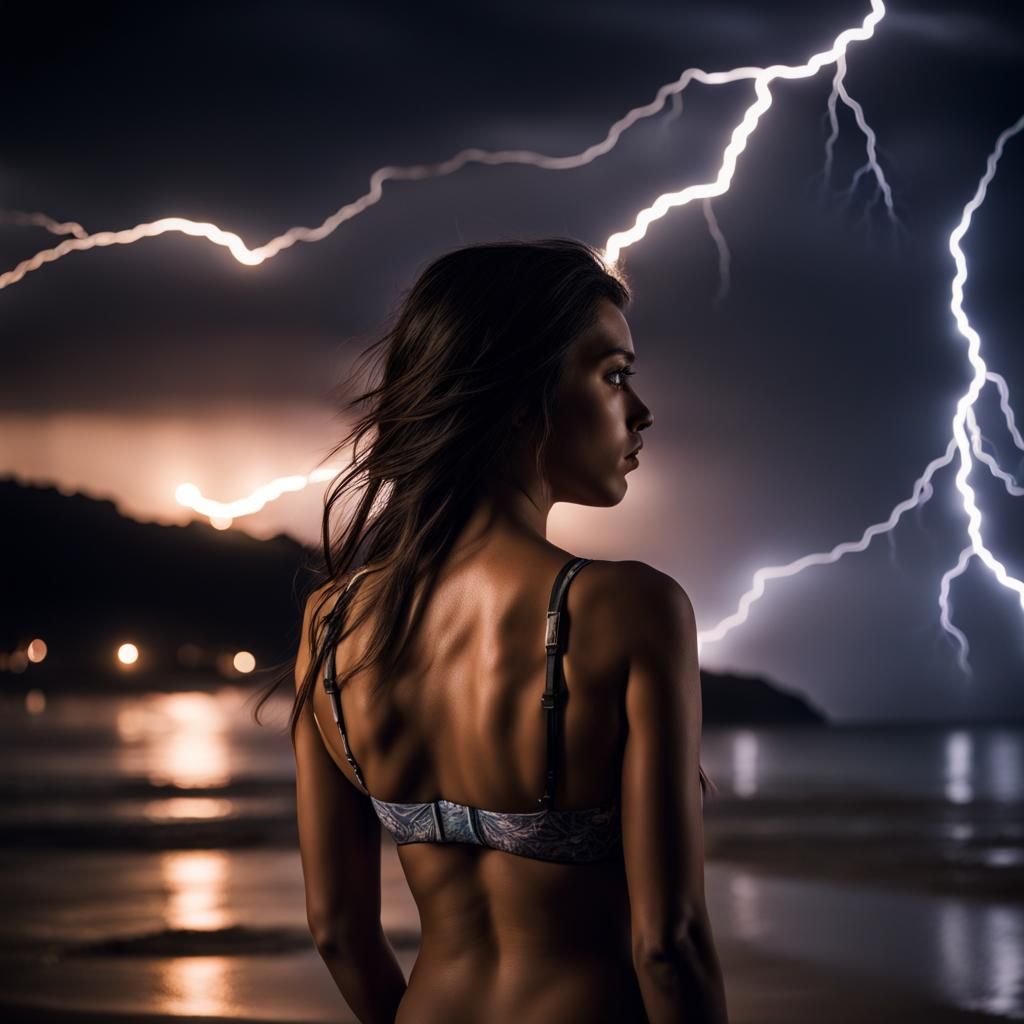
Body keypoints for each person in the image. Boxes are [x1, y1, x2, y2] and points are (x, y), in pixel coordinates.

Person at [272, 238, 729, 1023]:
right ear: (525, 395)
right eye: (614, 374)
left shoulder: (333, 623)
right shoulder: (632, 610)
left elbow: (339, 931)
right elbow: (669, 942)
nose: (641, 410)